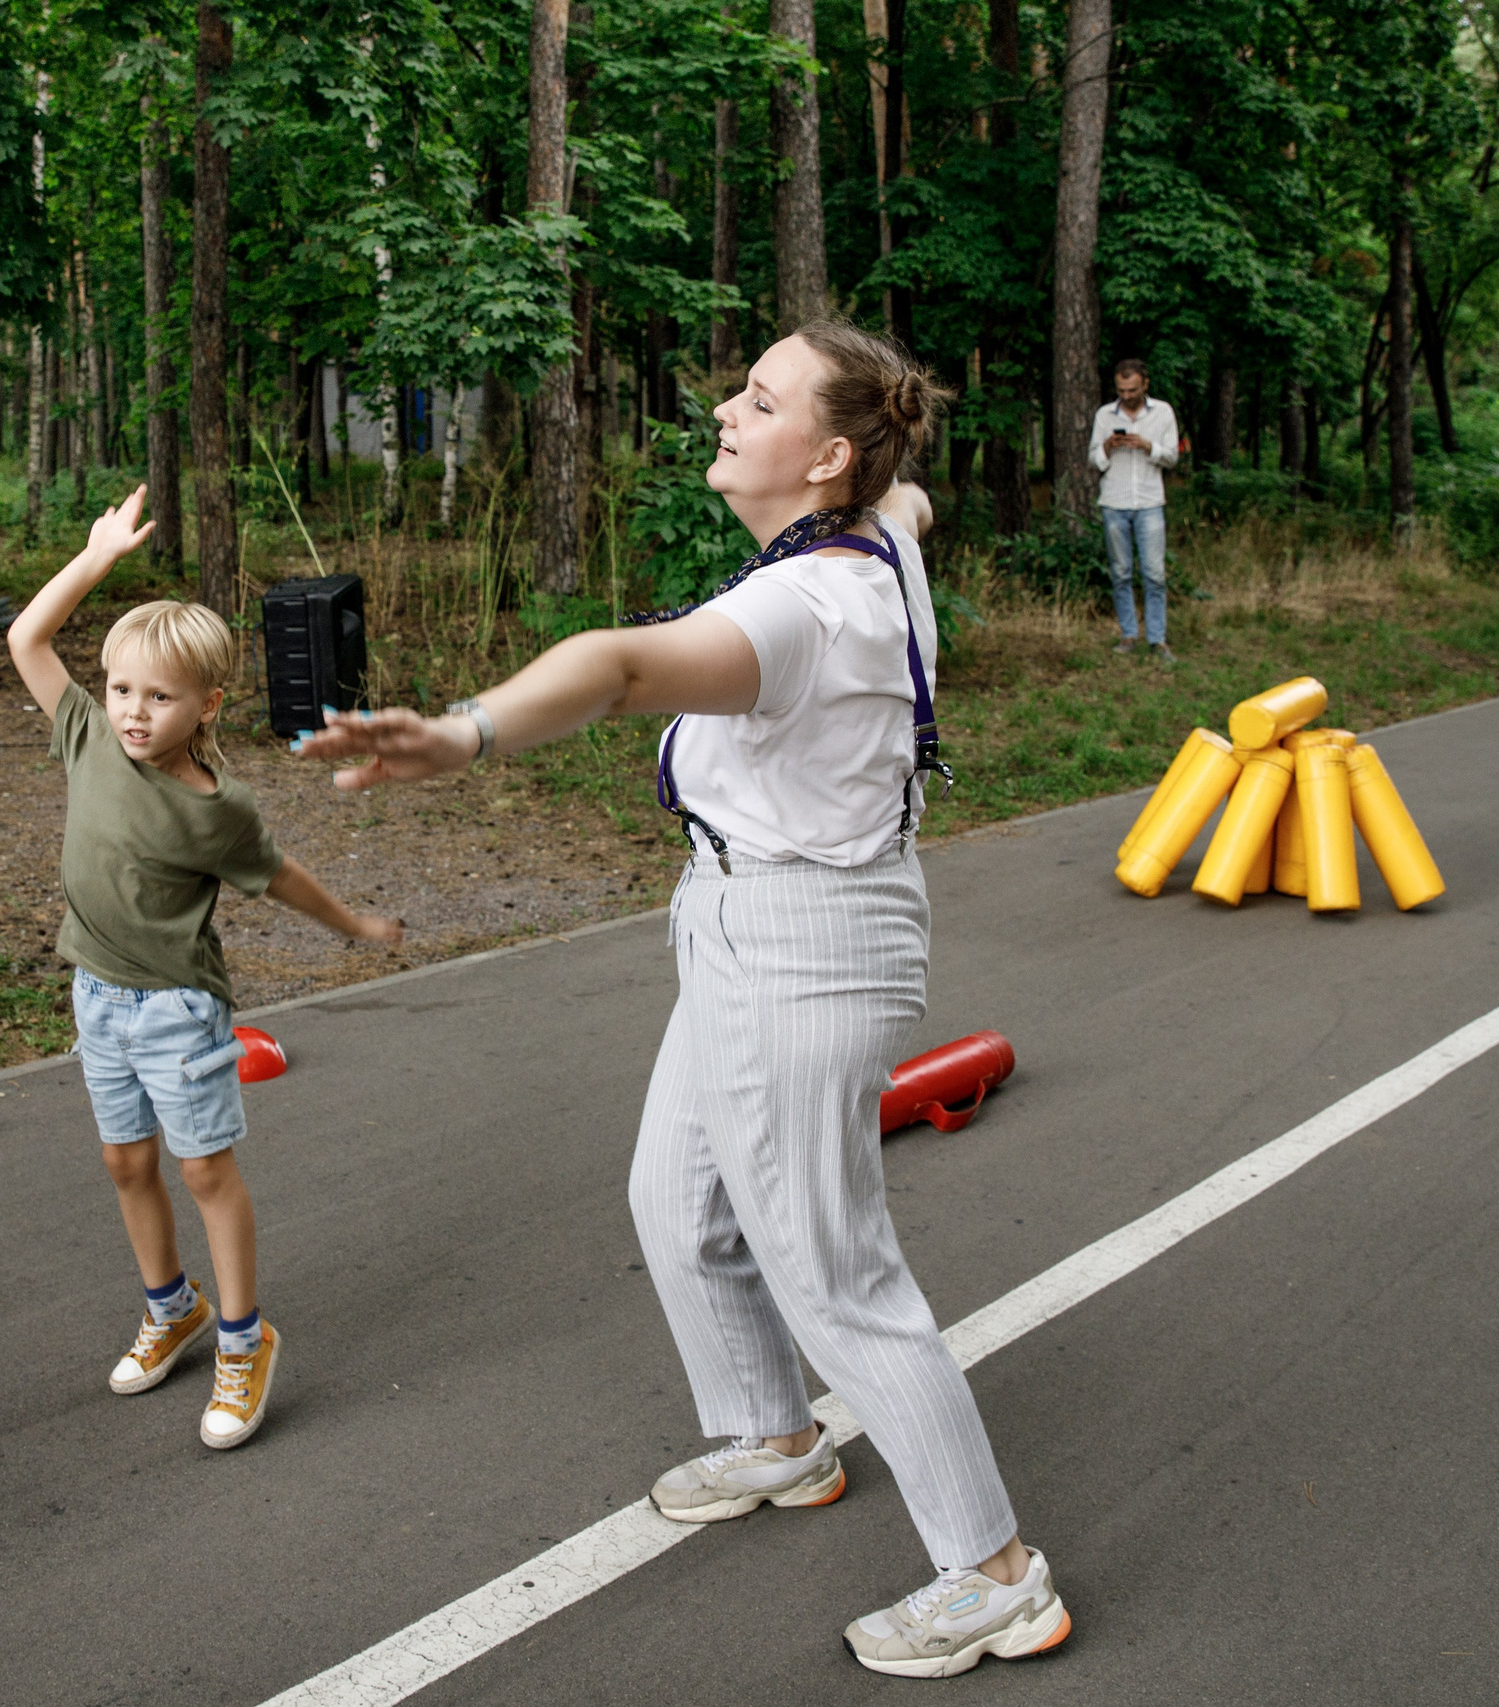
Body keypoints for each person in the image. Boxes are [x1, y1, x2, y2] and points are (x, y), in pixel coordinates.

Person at [298, 322, 1069, 1679]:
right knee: (677, 1196)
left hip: (804, 938)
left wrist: (467, 729)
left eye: (757, 398)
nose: (722, 406)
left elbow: (622, 662)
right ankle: (775, 1434)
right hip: (741, 911)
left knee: (834, 1268)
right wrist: (891, 480)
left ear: (824, 453)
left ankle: (995, 1574)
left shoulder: (809, 605)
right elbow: (914, 491)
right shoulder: (878, 510)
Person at [5, 486, 404, 1451]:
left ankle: (240, 1338)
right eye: (124, 689)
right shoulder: (88, 737)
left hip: (177, 1010)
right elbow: (27, 637)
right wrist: (96, 560)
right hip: (95, 991)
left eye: (161, 695)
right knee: (123, 1160)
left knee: (203, 1171)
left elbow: (280, 878)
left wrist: (349, 921)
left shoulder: (218, 809)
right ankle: (170, 1306)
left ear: (208, 704)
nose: (135, 712)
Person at [1089, 358, 1180, 664]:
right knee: (1121, 572)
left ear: (1145, 384)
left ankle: (1158, 639)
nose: (1126, 395)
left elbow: (1171, 457)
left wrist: (1146, 445)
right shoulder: (1104, 414)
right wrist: (1108, 446)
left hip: (1150, 502)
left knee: (1154, 573)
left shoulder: (1163, 412)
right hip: (1114, 501)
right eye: (1121, 390)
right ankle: (1128, 634)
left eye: (1132, 389)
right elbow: (1094, 460)